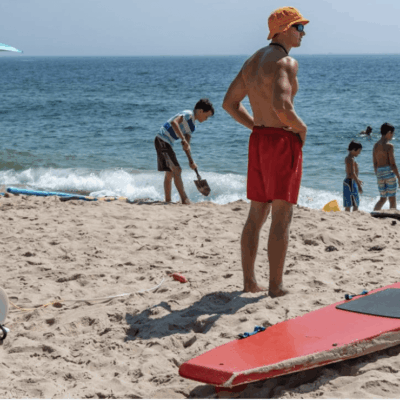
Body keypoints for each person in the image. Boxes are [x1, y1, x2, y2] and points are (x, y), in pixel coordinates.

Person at [222, 6, 309, 297]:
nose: (303, 33)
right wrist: (301, 129)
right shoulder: (286, 61)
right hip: (281, 142)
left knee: (256, 213)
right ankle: (275, 286)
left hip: (259, 140)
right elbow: (282, 107)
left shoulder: (252, 61)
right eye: (298, 27)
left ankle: (249, 282)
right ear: (283, 29)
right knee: (282, 216)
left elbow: (229, 103)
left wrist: (255, 127)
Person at [154, 99, 214, 204]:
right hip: (162, 139)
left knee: (170, 173)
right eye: (206, 116)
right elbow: (174, 123)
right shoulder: (188, 114)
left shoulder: (192, 127)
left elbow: (186, 146)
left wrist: (191, 161)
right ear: (200, 111)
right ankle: (184, 199)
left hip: (167, 143)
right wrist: (183, 139)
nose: (206, 119)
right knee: (177, 170)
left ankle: (167, 201)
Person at [373, 122, 400, 210]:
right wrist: (399, 177)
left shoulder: (375, 145)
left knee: (383, 199)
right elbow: (393, 164)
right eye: (392, 133)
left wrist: (378, 174)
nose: (392, 136)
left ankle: (374, 213)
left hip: (379, 173)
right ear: (389, 133)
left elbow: (375, 163)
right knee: (392, 199)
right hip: (388, 173)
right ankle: (393, 216)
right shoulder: (389, 146)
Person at [344, 141, 363, 212]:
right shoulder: (350, 159)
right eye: (359, 151)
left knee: (348, 203)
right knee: (355, 203)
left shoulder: (349, 158)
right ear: (354, 149)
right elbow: (352, 173)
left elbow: (350, 173)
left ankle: (348, 215)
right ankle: (355, 216)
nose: (359, 153)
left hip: (348, 181)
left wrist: (357, 179)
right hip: (350, 182)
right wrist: (359, 185)